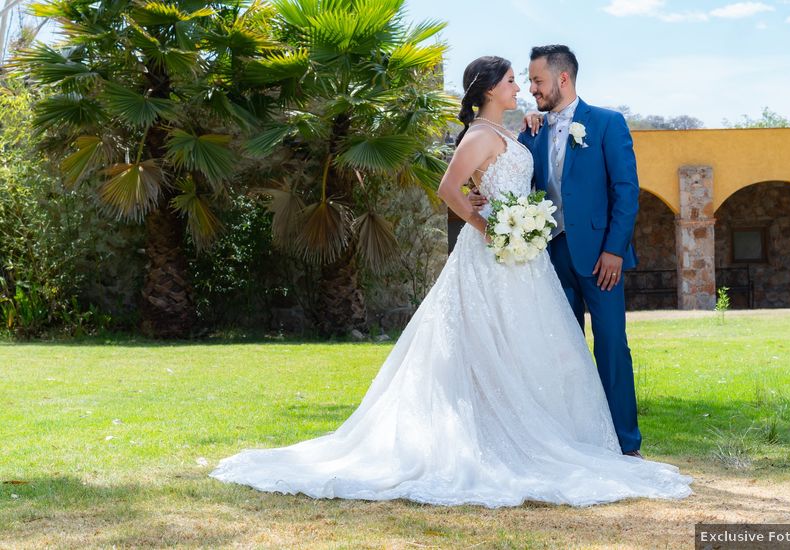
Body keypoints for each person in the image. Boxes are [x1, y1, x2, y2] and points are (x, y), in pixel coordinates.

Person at [210, 55, 692, 508]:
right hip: (495, 254)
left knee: (536, 345)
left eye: (528, 80)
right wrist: (492, 228)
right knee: (486, 343)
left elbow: (528, 178)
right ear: (488, 89)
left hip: (528, 260)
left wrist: (512, 220)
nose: (521, 87)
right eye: (511, 81)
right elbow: (448, 189)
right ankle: (498, 436)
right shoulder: (480, 135)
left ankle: (579, 437)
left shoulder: (519, 130)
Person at [471, 44, 643, 457]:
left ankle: (625, 442)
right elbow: (506, 177)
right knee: (558, 350)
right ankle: (573, 440)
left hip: (601, 258)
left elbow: (626, 191)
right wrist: (479, 197)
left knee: (612, 345)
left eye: (537, 81)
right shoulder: (531, 130)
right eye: (528, 81)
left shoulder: (606, 123)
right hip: (547, 258)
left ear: (562, 79)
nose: (531, 89)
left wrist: (614, 250)